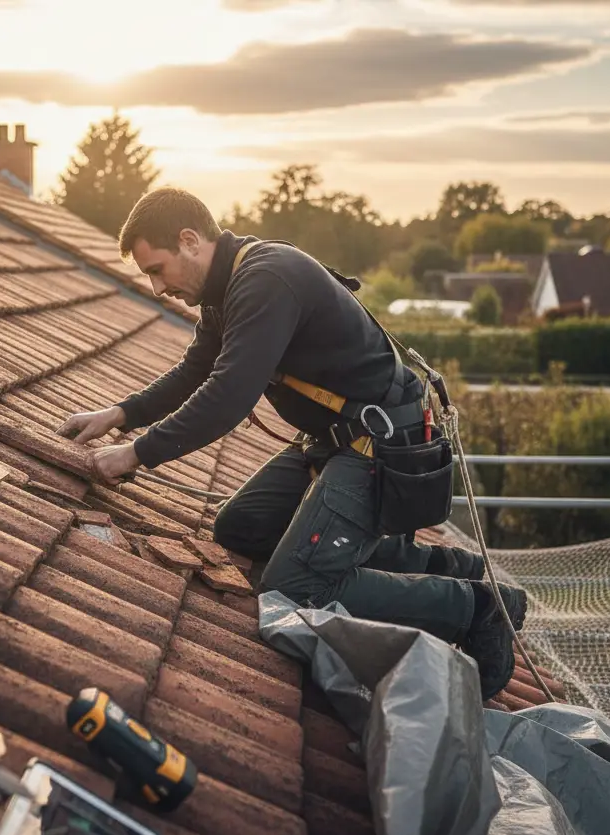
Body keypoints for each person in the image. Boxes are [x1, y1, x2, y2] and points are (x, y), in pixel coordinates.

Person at [56, 187, 526, 700]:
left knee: (295, 587)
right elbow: (195, 371)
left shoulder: (264, 280)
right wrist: (120, 415)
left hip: (378, 443)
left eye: (157, 269)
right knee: (240, 527)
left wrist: (136, 453)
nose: (157, 286)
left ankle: (478, 608)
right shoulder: (225, 288)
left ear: (189, 240)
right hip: (332, 439)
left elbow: (228, 395)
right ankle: (446, 568)